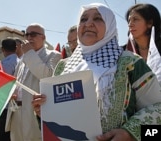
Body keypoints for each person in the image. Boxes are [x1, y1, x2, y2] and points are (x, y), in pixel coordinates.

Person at [32, 3, 161, 141]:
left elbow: (158, 109)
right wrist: (44, 111)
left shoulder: (129, 63)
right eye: (83, 19)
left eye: (98, 18)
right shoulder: (63, 67)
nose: (88, 24)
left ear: (110, 26)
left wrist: (130, 133)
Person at [6, 23, 62, 141]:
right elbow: (16, 83)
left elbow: (47, 76)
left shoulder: (53, 55)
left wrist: (30, 53)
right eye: (26, 35)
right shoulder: (22, 60)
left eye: (33, 34)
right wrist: (12, 94)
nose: (29, 37)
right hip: (16, 113)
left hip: (34, 114)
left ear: (44, 38)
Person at [125, 3, 161, 84]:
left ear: (149, 23)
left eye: (135, 19)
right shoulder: (124, 52)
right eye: (129, 20)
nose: (130, 24)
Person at [0, 38, 18, 141]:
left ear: (2, 49)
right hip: (15, 107)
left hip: (4, 107)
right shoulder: (20, 62)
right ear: (16, 48)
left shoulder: (4, 64)